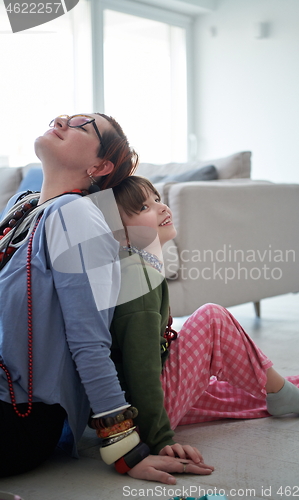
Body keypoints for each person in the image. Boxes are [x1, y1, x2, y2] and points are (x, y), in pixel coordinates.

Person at [0, 114, 213, 483]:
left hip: (19, 417)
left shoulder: (77, 215)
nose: (63, 120)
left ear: (100, 165)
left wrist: (125, 447)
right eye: (64, 116)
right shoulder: (23, 208)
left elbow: (89, 340)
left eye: (83, 125)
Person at [110, 175, 299, 479]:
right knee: (211, 317)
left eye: (158, 199)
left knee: (220, 393)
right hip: (142, 415)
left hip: (141, 409)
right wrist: (160, 439)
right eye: (144, 207)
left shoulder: (142, 268)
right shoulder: (138, 276)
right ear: (122, 236)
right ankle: (281, 389)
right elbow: (141, 370)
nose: (162, 208)